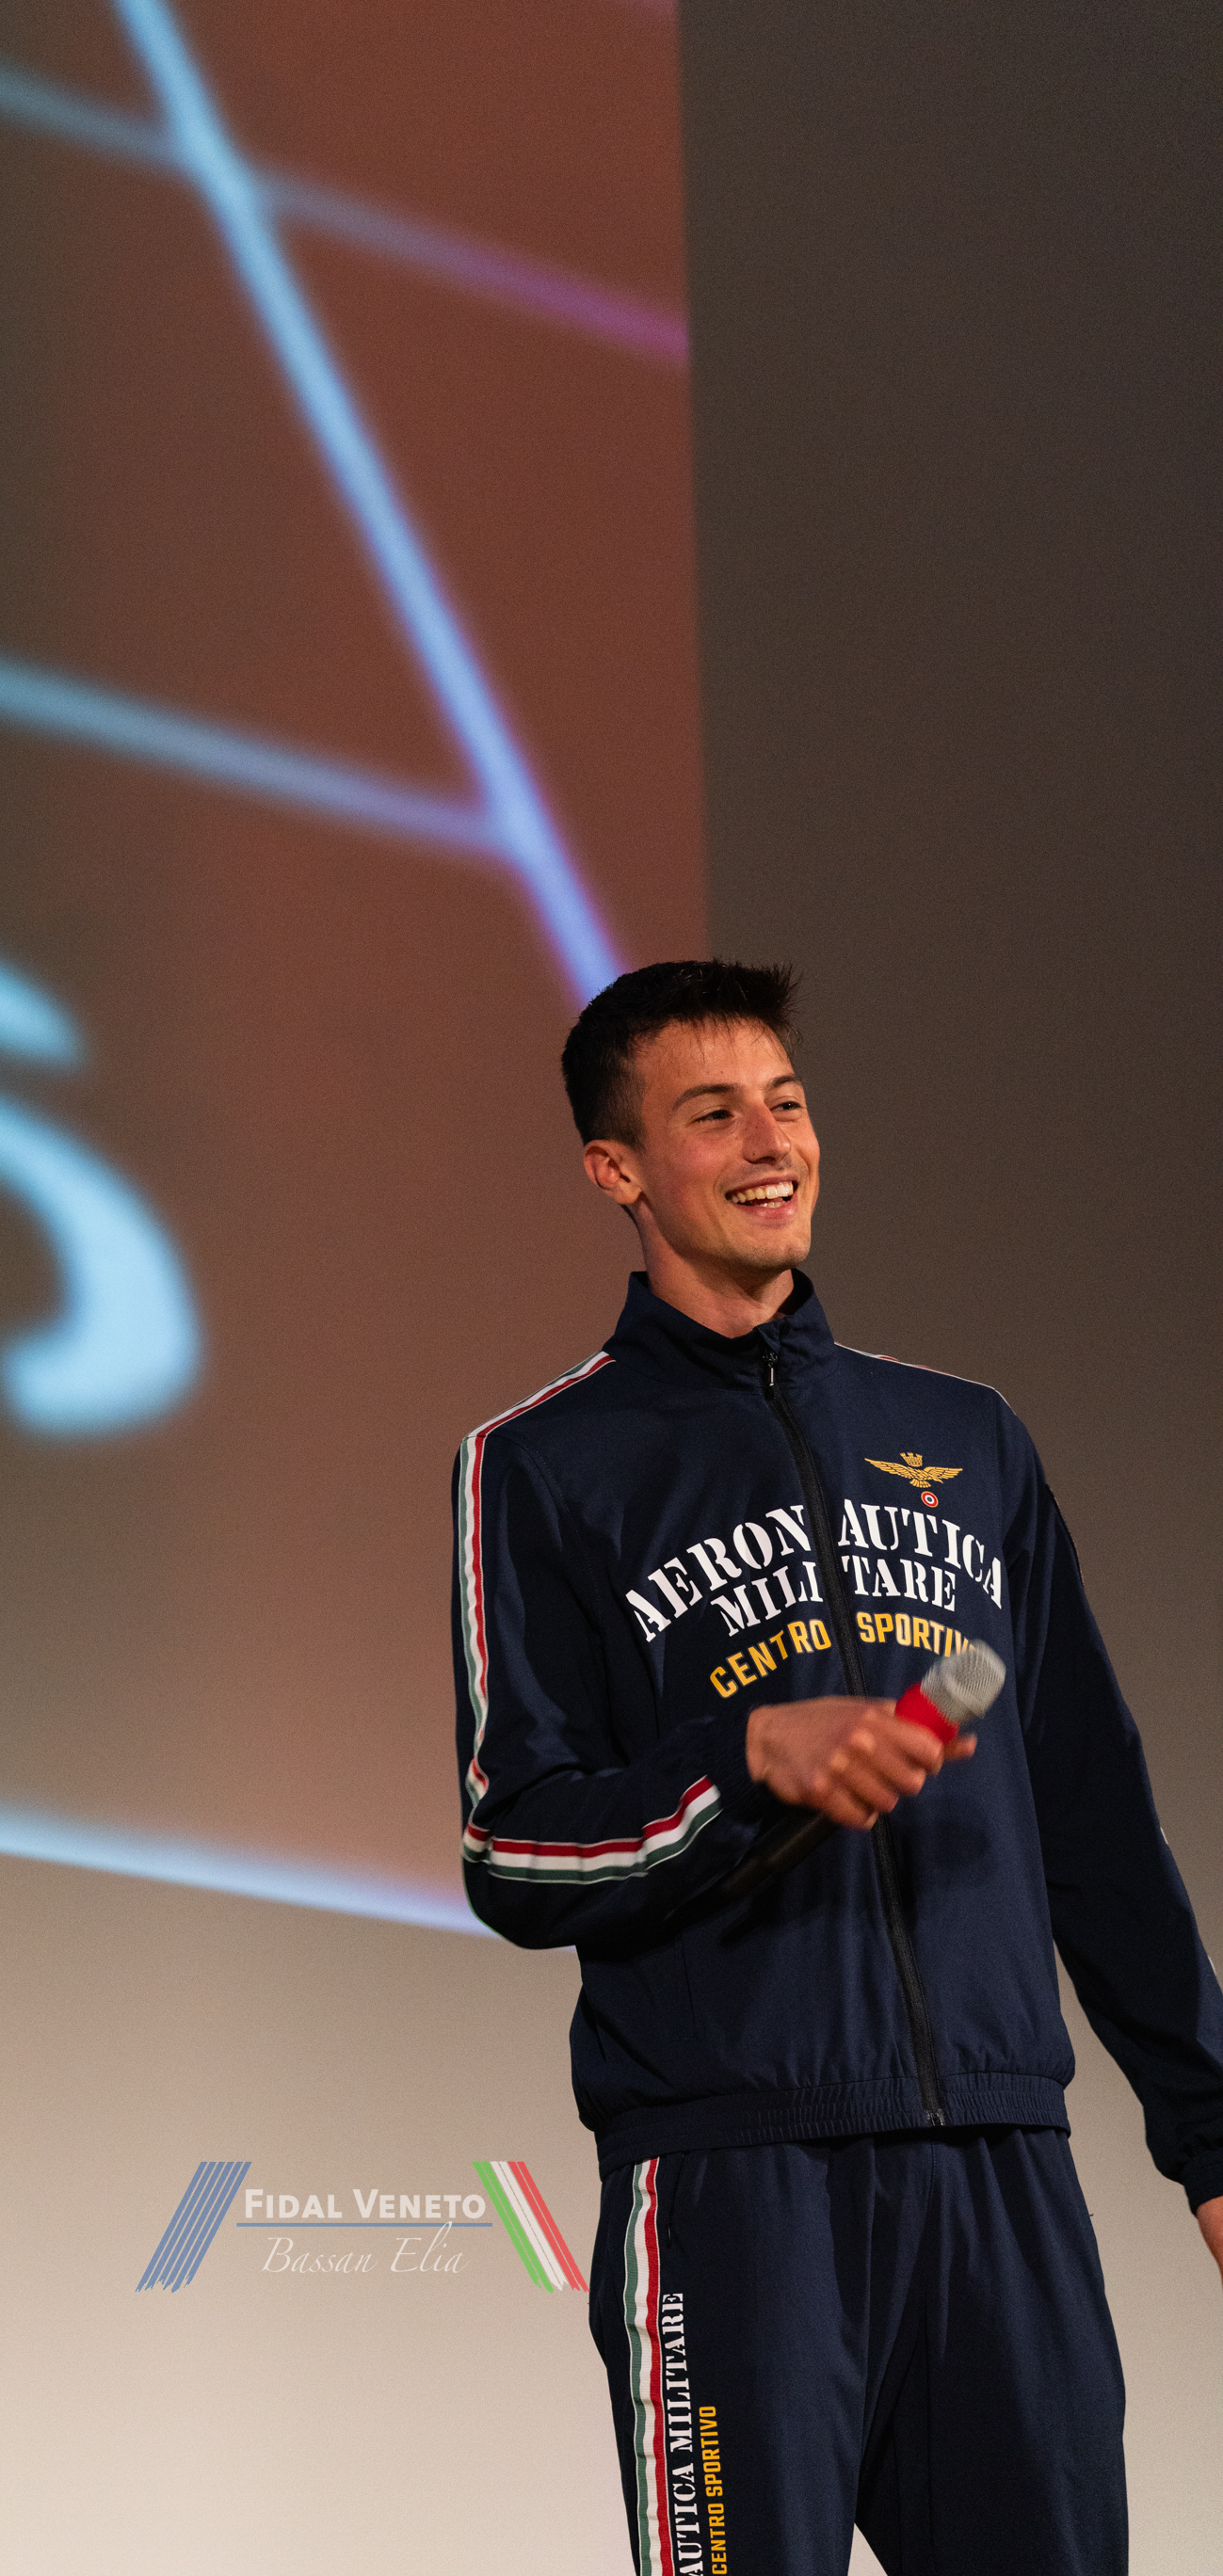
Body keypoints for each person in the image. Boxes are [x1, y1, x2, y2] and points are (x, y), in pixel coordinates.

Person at [452, 958, 1223, 2576]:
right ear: (614, 1169)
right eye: (711, 1113)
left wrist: (1211, 2129)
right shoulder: (541, 1467)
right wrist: (739, 1762)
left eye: (786, 1102)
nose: (769, 1142)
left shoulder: (971, 1440)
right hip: (731, 2181)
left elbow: (1091, 1821)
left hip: (998, 2162)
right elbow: (516, 1851)